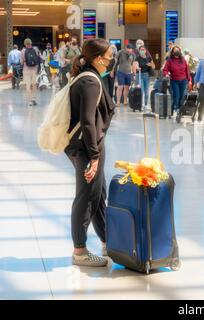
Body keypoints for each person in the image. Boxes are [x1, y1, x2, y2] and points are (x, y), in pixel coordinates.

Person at [65, 38, 115, 267]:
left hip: (87, 146)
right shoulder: (91, 82)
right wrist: (94, 157)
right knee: (86, 197)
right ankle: (80, 250)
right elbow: (87, 122)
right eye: (109, 56)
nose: (111, 60)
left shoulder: (86, 76)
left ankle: (107, 240)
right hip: (87, 148)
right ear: (98, 59)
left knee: (97, 194)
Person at [163, 45, 191, 115]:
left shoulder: (183, 60)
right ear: (172, 52)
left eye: (177, 50)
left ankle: (177, 109)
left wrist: (189, 80)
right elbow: (165, 69)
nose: (176, 51)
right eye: (175, 50)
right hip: (174, 80)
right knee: (177, 96)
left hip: (183, 80)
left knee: (182, 96)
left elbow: (186, 70)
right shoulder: (170, 60)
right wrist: (166, 74)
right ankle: (175, 109)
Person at [21, 38, 41, 107]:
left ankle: (29, 101)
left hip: (26, 70)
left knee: (28, 85)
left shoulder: (23, 51)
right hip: (34, 70)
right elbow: (39, 58)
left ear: (25, 44)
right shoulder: (35, 49)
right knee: (34, 84)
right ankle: (34, 99)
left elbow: (21, 61)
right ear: (31, 43)